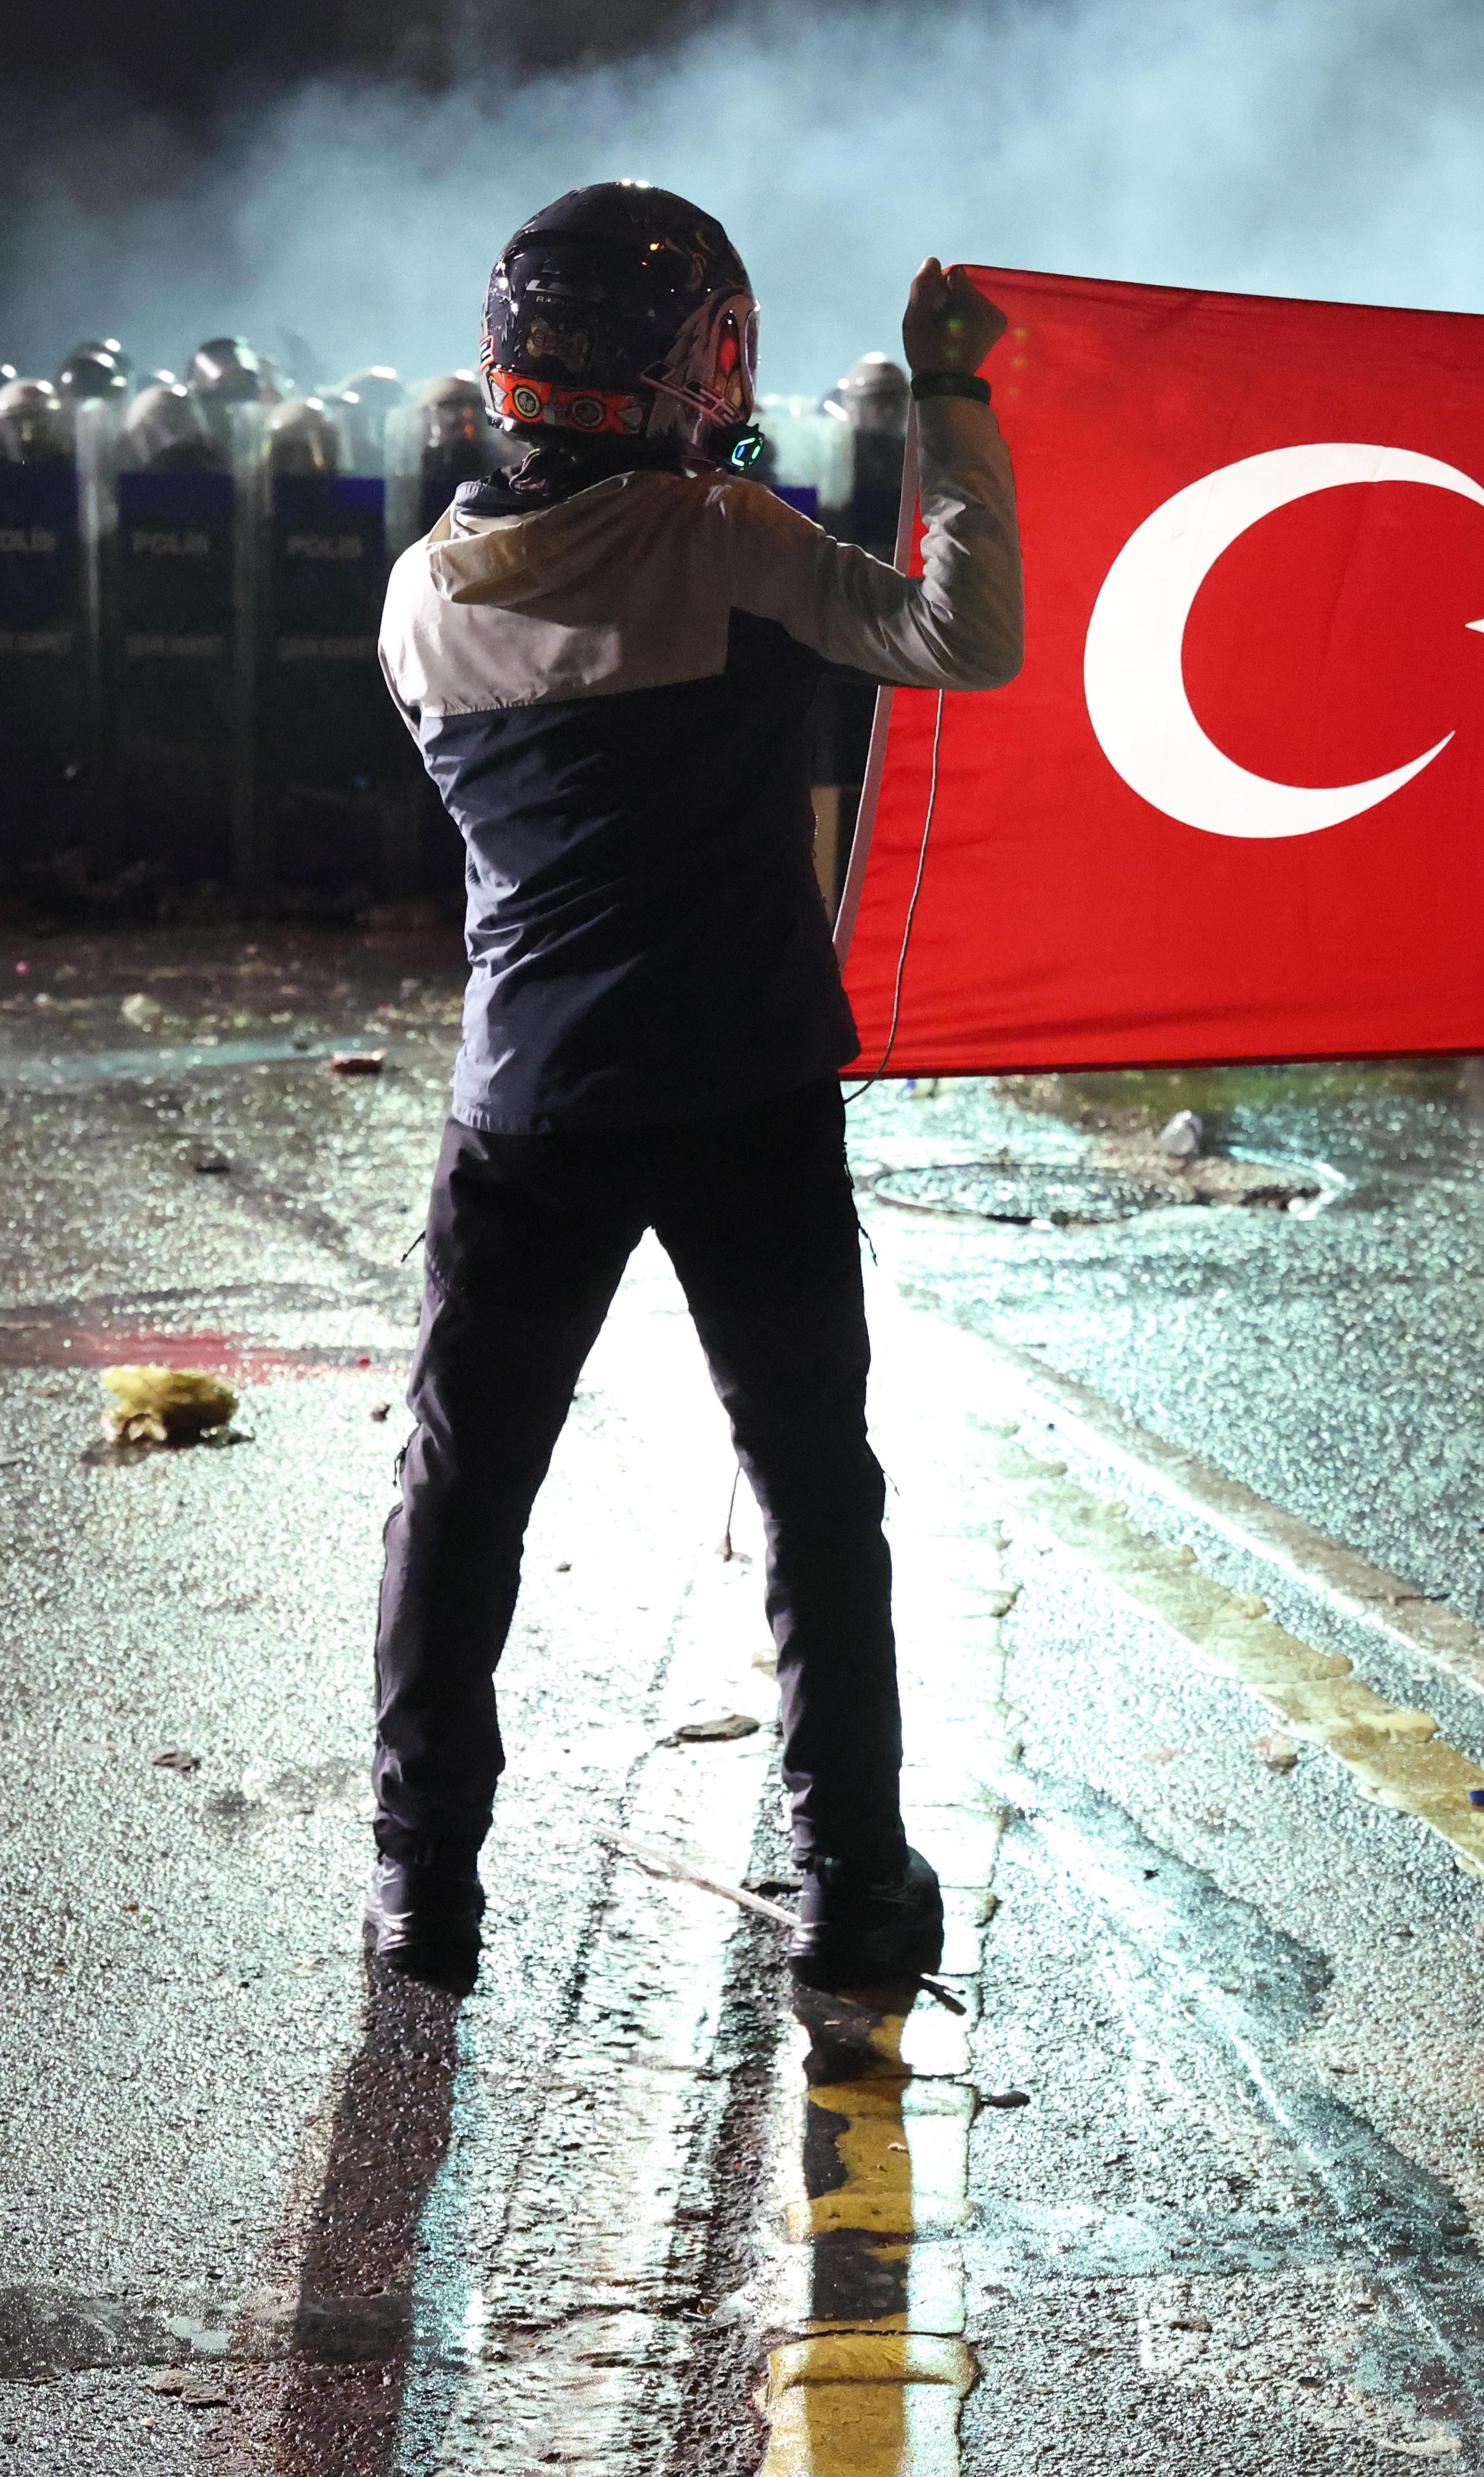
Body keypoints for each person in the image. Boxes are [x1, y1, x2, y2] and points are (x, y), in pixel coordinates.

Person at [370, 183, 1023, 1992]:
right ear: (689, 363)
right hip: (742, 1084)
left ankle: (424, 1883)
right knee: (816, 1488)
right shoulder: (723, 536)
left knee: (462, 1490)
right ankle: (852, 1882)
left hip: (531, 1101)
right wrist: (950, 402)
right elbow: (966, 638)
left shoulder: (420, 596)